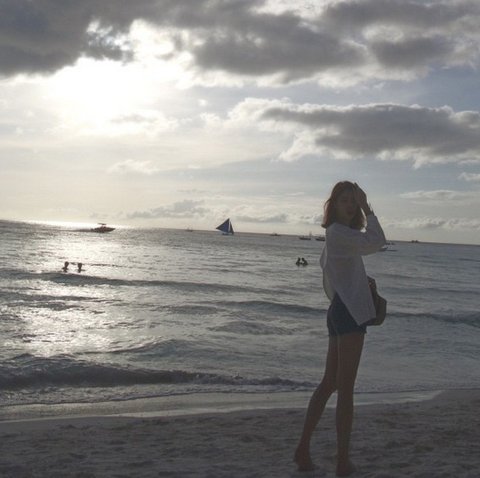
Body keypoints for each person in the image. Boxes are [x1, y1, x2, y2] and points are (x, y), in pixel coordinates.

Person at [294, 181, 386, 477]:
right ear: (333, 205)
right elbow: (377, 240)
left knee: (330, 384)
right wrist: (368, 208)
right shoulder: (339, 233)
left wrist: (355, 282)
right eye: (344, 200)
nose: (350, 205)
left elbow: (331, 272)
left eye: (353, 201)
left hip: (338, 310)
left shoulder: (338, 234)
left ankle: (303, 448)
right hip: (347, 314)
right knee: (345, 389)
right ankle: (342, 461)